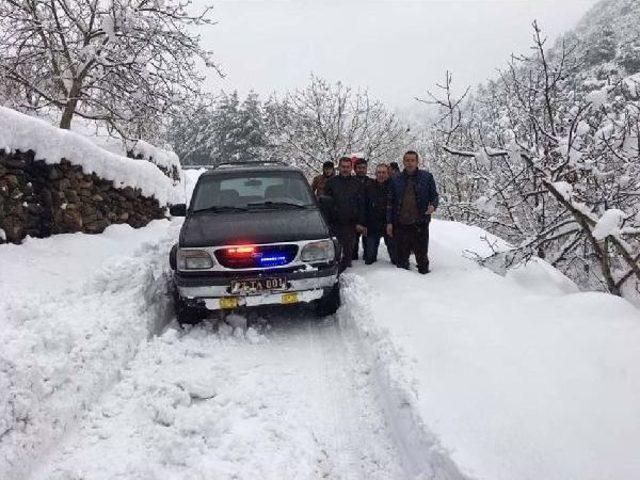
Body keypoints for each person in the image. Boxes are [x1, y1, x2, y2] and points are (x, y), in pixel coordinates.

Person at [386, 150, 439, 274]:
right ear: (403, 162)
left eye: (412, 160)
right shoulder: (395, 179)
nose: (409, 163)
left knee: (421, 255)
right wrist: (389, 222)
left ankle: (425, 278)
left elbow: (434, 196)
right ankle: (405, 284)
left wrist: (433, 205)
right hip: (401, 223)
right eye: (407, 160)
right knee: (402, 255)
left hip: (420, 223)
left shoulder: (427, 177)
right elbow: (390, 202)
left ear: (417, 162)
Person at [324, 156, 367, 272]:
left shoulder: (357, 183)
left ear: (351, 168)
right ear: (339, 167)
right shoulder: (331, 183)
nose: (345, 169)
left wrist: (360, 222)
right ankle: (333, 273)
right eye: (343, 167)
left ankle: (345, 273)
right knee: (334, 251)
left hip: (350, 224)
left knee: (348, 253)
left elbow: (362, 204)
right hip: (334, 223)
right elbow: (325, 204)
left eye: (348, 167)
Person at [364, 163, 396, 265]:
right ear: (375, 174)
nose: (381, 175)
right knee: (369, 258)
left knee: (395, 258)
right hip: (372, 225)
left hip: (389, 225)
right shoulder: (369, 187)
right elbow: (363, 206)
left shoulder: (394, 187)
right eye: (379, 172)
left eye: (384, 172)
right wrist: (362, 223)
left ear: (388, 173)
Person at [352, 157, 373, 260]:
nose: (361, 170)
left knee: (369, 254)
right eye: (359, 168)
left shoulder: (372, 183)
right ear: (354, 169)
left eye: (363, 168)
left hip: (369, 219)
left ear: (366, 169)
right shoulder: (349, 182)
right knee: (352, 253)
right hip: (353, 220)